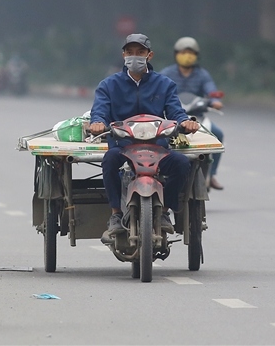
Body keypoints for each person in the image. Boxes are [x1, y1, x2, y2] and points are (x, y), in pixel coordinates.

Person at [89, 33, 200, 243]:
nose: (135, 57)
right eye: (130, 52)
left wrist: (186, 122)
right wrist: (97, 124)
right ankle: (115, 214)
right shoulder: (108, 85)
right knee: (109, 160)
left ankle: (166, 210)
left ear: (149, 55)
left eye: (140, 52)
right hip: (122, 147)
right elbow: (100, 111)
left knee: (182, 164)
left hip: (157, 148)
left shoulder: (165, 84)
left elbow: (176, 112)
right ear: (123, 55)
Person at [159, 37, 226, 190]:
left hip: (197, 117)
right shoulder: (167, 73)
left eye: (190, 53)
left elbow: (211, 90)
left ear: (196, 55)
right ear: (176, 54)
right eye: (183, 52)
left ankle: (212, 174)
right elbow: (157, 89)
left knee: (217, 134)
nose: (187, 56)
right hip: (172, 118)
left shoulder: (202, 74)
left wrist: (215, 100)